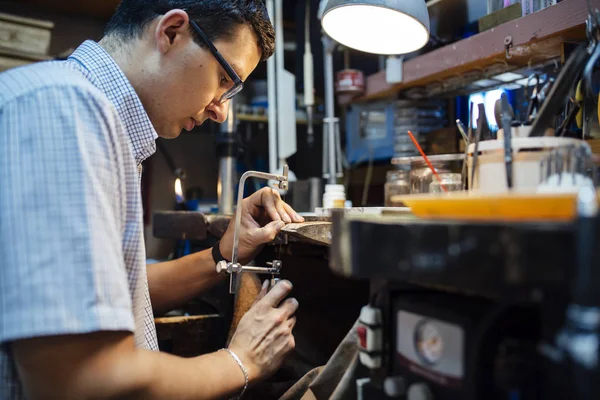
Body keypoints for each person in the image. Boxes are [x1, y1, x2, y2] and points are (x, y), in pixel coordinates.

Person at [0, 1, 305, 398]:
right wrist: (241, 361)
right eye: (224, 80)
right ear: (172, 32)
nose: (221, 112)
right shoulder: (65, 108)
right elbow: (82, 380)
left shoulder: (87, 113)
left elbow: (114, 293)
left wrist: (225, 252)